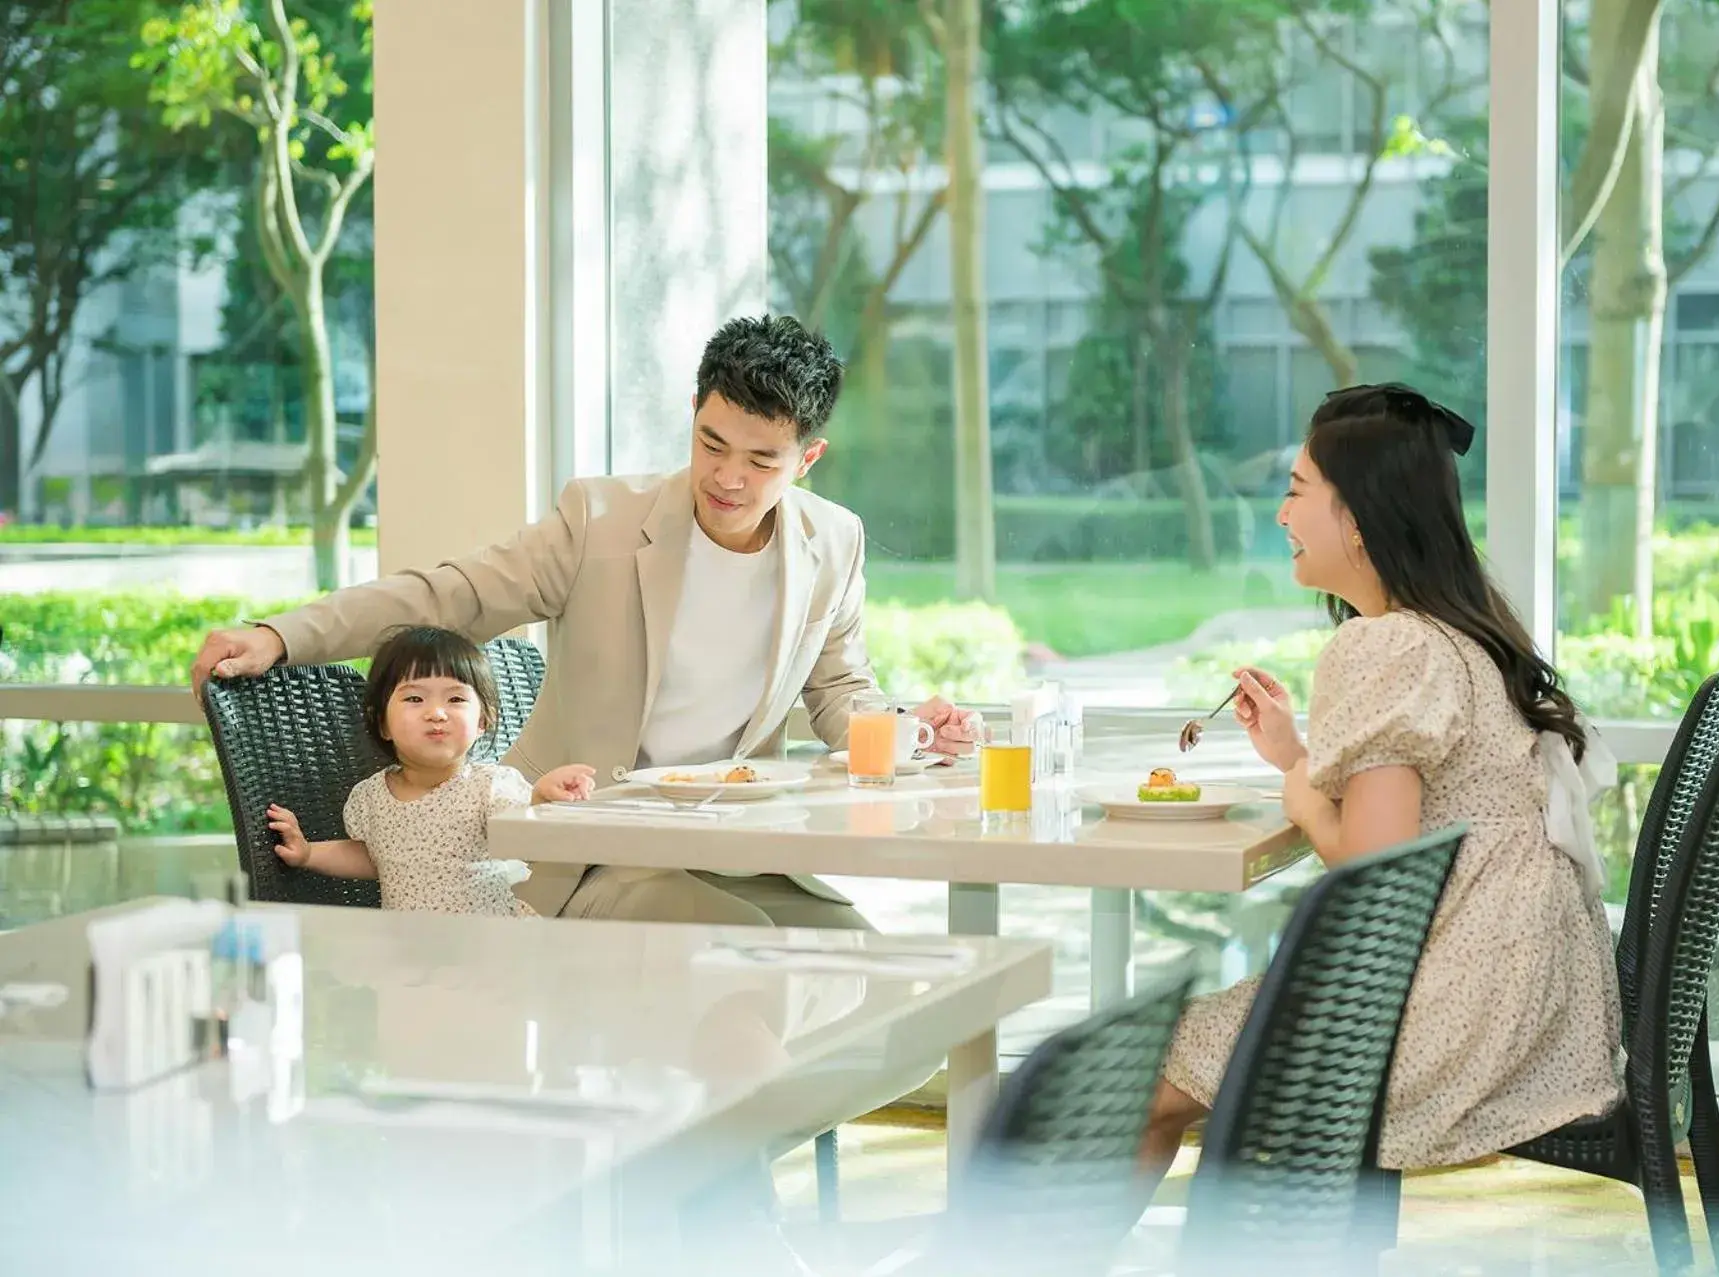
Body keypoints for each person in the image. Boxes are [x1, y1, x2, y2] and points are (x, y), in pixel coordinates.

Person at [191, 314, 976, 929]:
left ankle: (725, 1119)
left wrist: (907, 729)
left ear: (807, 459)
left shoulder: (831, 541)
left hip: (733, 851)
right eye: (711, 443)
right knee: (749, 967)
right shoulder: (601, 519)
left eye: (761, 460)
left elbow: (841, 691)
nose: (728, 477)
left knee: (879, 983)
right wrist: (284, 634)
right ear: (693, 419)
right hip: (586, 852)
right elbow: (450, 594)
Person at [1142, 384, 1624, 1177]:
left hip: (1443, 1022)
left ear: (1358, 518)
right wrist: (1296, 752)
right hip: (1531, 1014)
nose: (1279, 516)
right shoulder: (1458, 632)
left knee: (1138, 1074)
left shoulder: (1385, 645)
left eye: (1296, 492)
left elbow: (1374, 875)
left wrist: (1301, 784)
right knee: (1177, 1062)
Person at [267, 626, 597, 915]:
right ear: (382, 722)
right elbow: (373, 857)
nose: (437, 713)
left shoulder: (489, 786)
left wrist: (540, 799)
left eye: (455, 700)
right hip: (412, 951)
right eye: (414, 699)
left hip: (487, 947)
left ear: (482, 721)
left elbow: (520, 833)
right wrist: (309, 853)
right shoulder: (370, 796)